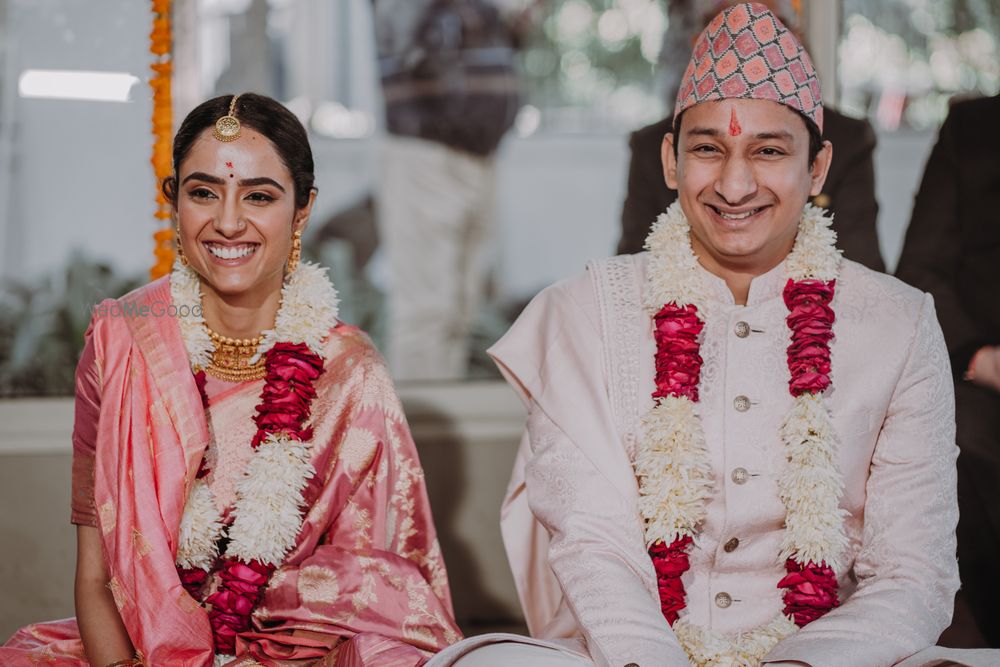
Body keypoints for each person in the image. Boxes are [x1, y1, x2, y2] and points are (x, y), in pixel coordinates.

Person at [430, 4, 1000, 666]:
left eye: (768, 151)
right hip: (633, 653)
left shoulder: (898, 323)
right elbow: (594, 543)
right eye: (708, 148)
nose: (734, 184)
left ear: (817, 170)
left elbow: (912, 576)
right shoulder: (586, 310)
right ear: (670, 161)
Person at [1, 93, 460, 666]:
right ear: (174, 201)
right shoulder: (122, 341)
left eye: (259, 196)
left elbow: (374, 589)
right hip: (139, 648)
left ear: (302, 210)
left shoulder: (350, 371)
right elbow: (97, 580)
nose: (226, 222)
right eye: (203, 192)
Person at [617, 0, 885, 274]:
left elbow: (860, 264)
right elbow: (638, 267)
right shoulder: (649, 145)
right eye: (707, 148)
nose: (734, 190)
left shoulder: (848, 139)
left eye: (769, 151)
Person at [372, 0, 532, 381]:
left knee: (462, 311)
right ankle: (419, 436)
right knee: (426, 311)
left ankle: (442, 432)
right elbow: (411, 37)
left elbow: (467, 38)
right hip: (425, 149)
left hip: (479, 154)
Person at [895, 93, 1000, 649]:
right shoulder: (974, 127)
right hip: (984, 373)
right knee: (953, 442)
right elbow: (922, 268)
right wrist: (983, 359)